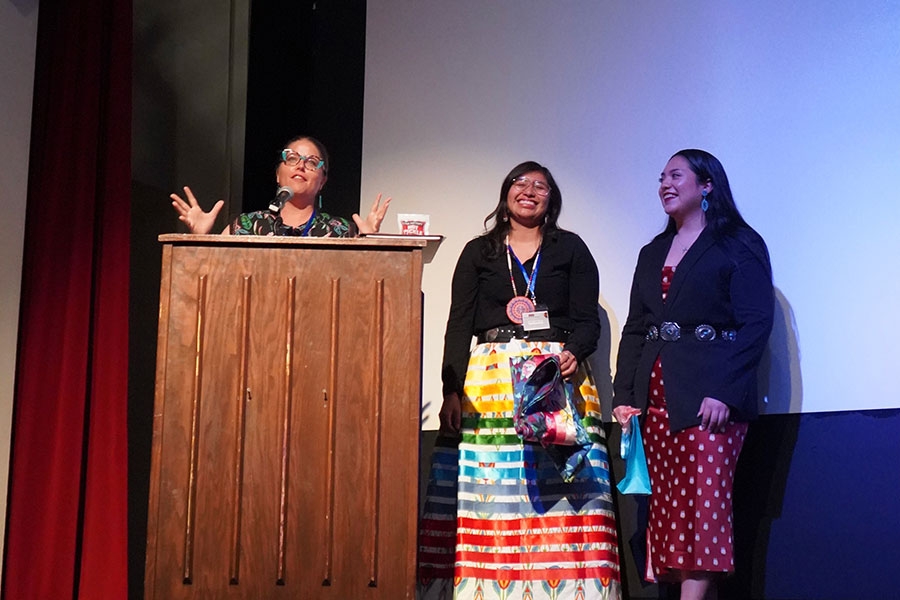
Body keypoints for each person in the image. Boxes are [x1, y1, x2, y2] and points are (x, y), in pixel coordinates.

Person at [417, 161, 621, 600]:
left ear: (552, 198)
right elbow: (458, 324)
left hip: (556, 377)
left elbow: (587, 322)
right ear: (505, 192)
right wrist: (450, 390)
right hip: (491, 385)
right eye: (520, 183)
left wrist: (574, 353)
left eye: (540, 186)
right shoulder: (479, 251)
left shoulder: (571, 249)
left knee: (564, 492)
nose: (529, 191)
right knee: (495, 494)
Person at [612, 149, 774, 600]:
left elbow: (756, 322)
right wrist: (624, 394)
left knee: (704, 513)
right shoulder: (652, 252)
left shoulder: (738, 243)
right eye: (661, 176)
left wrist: (725, 391)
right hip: (657, 401)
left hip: (710, 401)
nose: (665, 183)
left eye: (676, 175)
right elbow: (636, 327)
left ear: (706, 185)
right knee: (670, 515)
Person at [170, 134, 390, 236]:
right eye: (292, 158)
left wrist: (371, 242)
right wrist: (199, 238)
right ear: (278, 174)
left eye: (312, 162)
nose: (300, 166)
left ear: (322, 181)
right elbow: (213, 274)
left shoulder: (341, 232)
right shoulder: (247, 226)